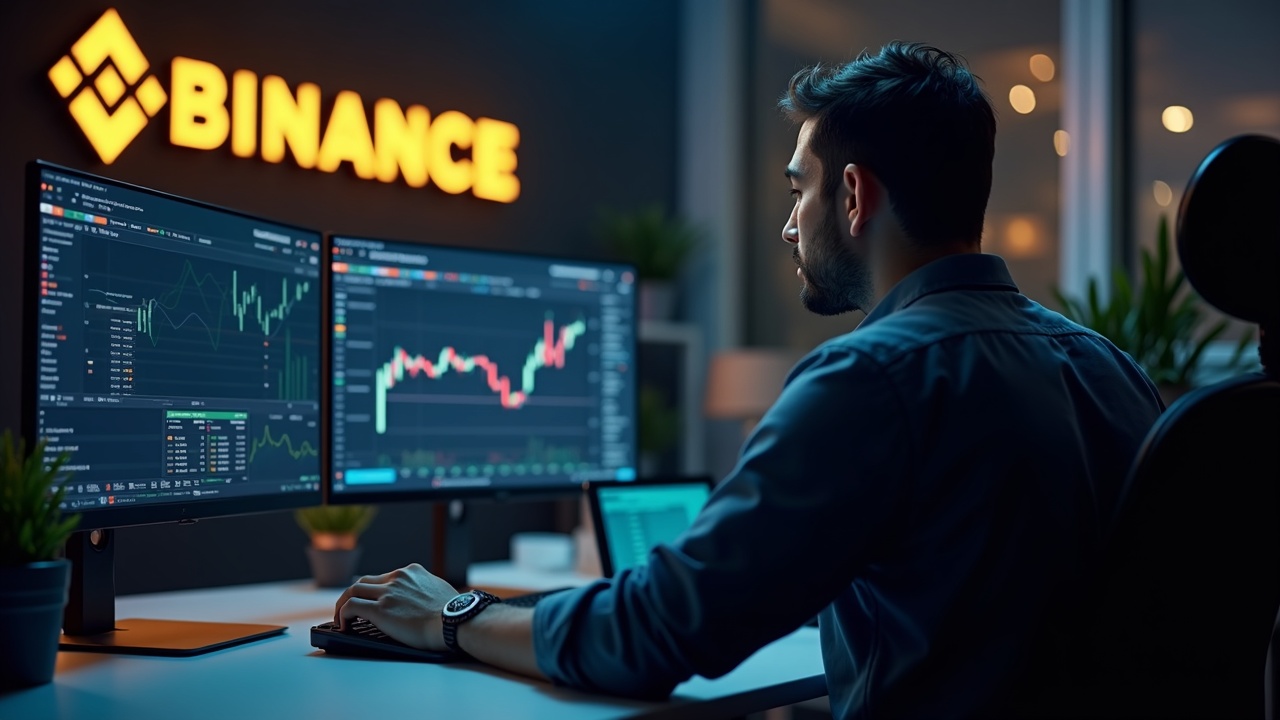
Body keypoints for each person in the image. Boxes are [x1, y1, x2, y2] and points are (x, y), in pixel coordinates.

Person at [335, 41, 1164, 719]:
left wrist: (453, 615)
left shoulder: (870, 377)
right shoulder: (1113, 372)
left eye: (799, 188)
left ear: (852, 194)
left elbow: (655, 635)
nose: (786, 222)